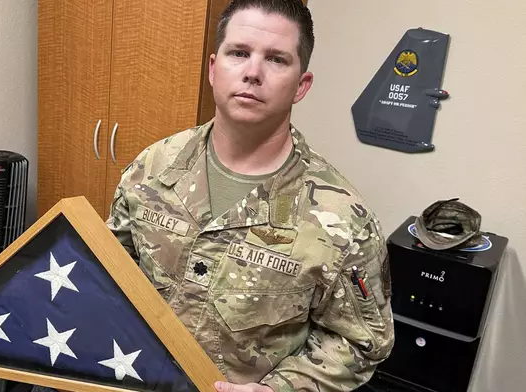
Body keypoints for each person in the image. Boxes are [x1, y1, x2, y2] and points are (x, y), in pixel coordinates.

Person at [105, 0, 394, 391]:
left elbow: (360, 342)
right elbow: (108, 268)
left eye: (276, 60)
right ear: (213, 68)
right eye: (239, 53)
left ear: (301, 85)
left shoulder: (341, 219)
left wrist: (280, 389)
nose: (253, 72)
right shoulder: (153, 166)